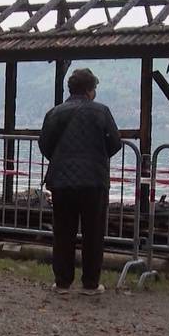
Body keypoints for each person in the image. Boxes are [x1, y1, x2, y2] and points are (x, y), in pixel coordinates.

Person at [39, 68, 122, 295]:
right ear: (90, 89)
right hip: (94, 180)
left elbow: (44, 144)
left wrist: (62, 158)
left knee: (63, 232)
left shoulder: (55, 112)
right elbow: (115, 142)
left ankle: (63, 282)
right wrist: (98, 155)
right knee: (93, 233)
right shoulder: (101, 112)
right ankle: (90, 284)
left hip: (62, 181)